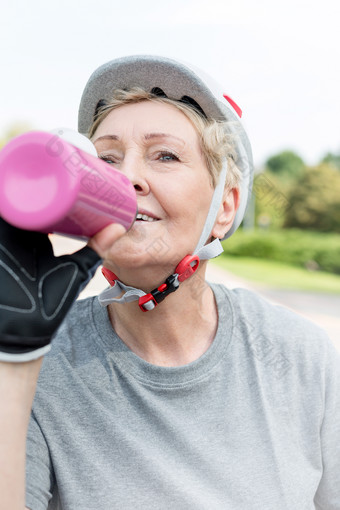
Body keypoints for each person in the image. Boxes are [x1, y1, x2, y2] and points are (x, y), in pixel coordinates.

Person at [0, 55, 339, 510]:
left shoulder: (303, 359)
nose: (128, 177)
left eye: (165, 155)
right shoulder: (41, 364)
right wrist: (14, 364)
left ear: (225, 207)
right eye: (107, 158)